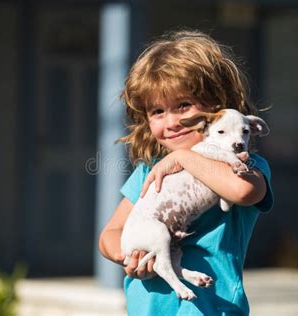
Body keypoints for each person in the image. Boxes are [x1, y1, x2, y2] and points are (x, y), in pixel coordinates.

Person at [98, 29, 274, 315]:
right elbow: (110, 234)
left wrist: (184, 157)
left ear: (217, 106)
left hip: (213, 307)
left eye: (183, 105)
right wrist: (129, 255)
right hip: (148, 307)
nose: (172, 122)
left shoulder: (245, 163)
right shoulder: (151, 172)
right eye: (157, 111)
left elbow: (243, 191)